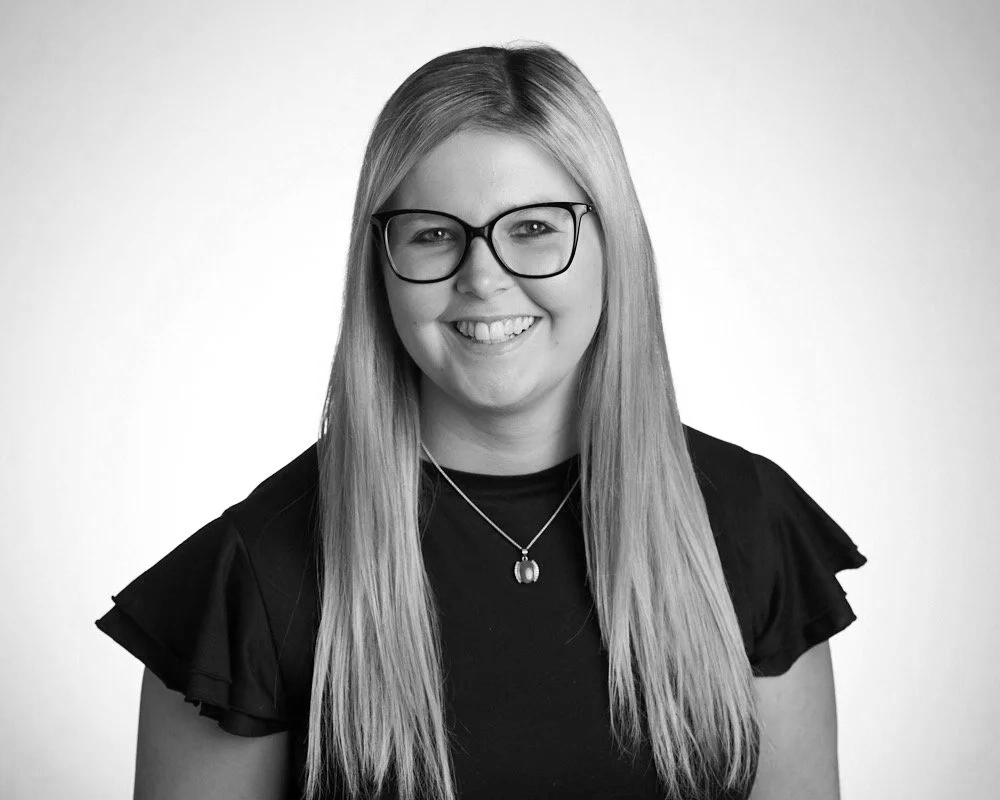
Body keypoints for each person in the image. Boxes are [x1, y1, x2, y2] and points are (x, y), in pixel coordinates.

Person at [95, 43, 867, 800]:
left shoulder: (746, 520)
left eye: (533, 228)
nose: (484, 278)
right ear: (380, 268)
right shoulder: (254, 574)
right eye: (434, 234)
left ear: (613, 242)